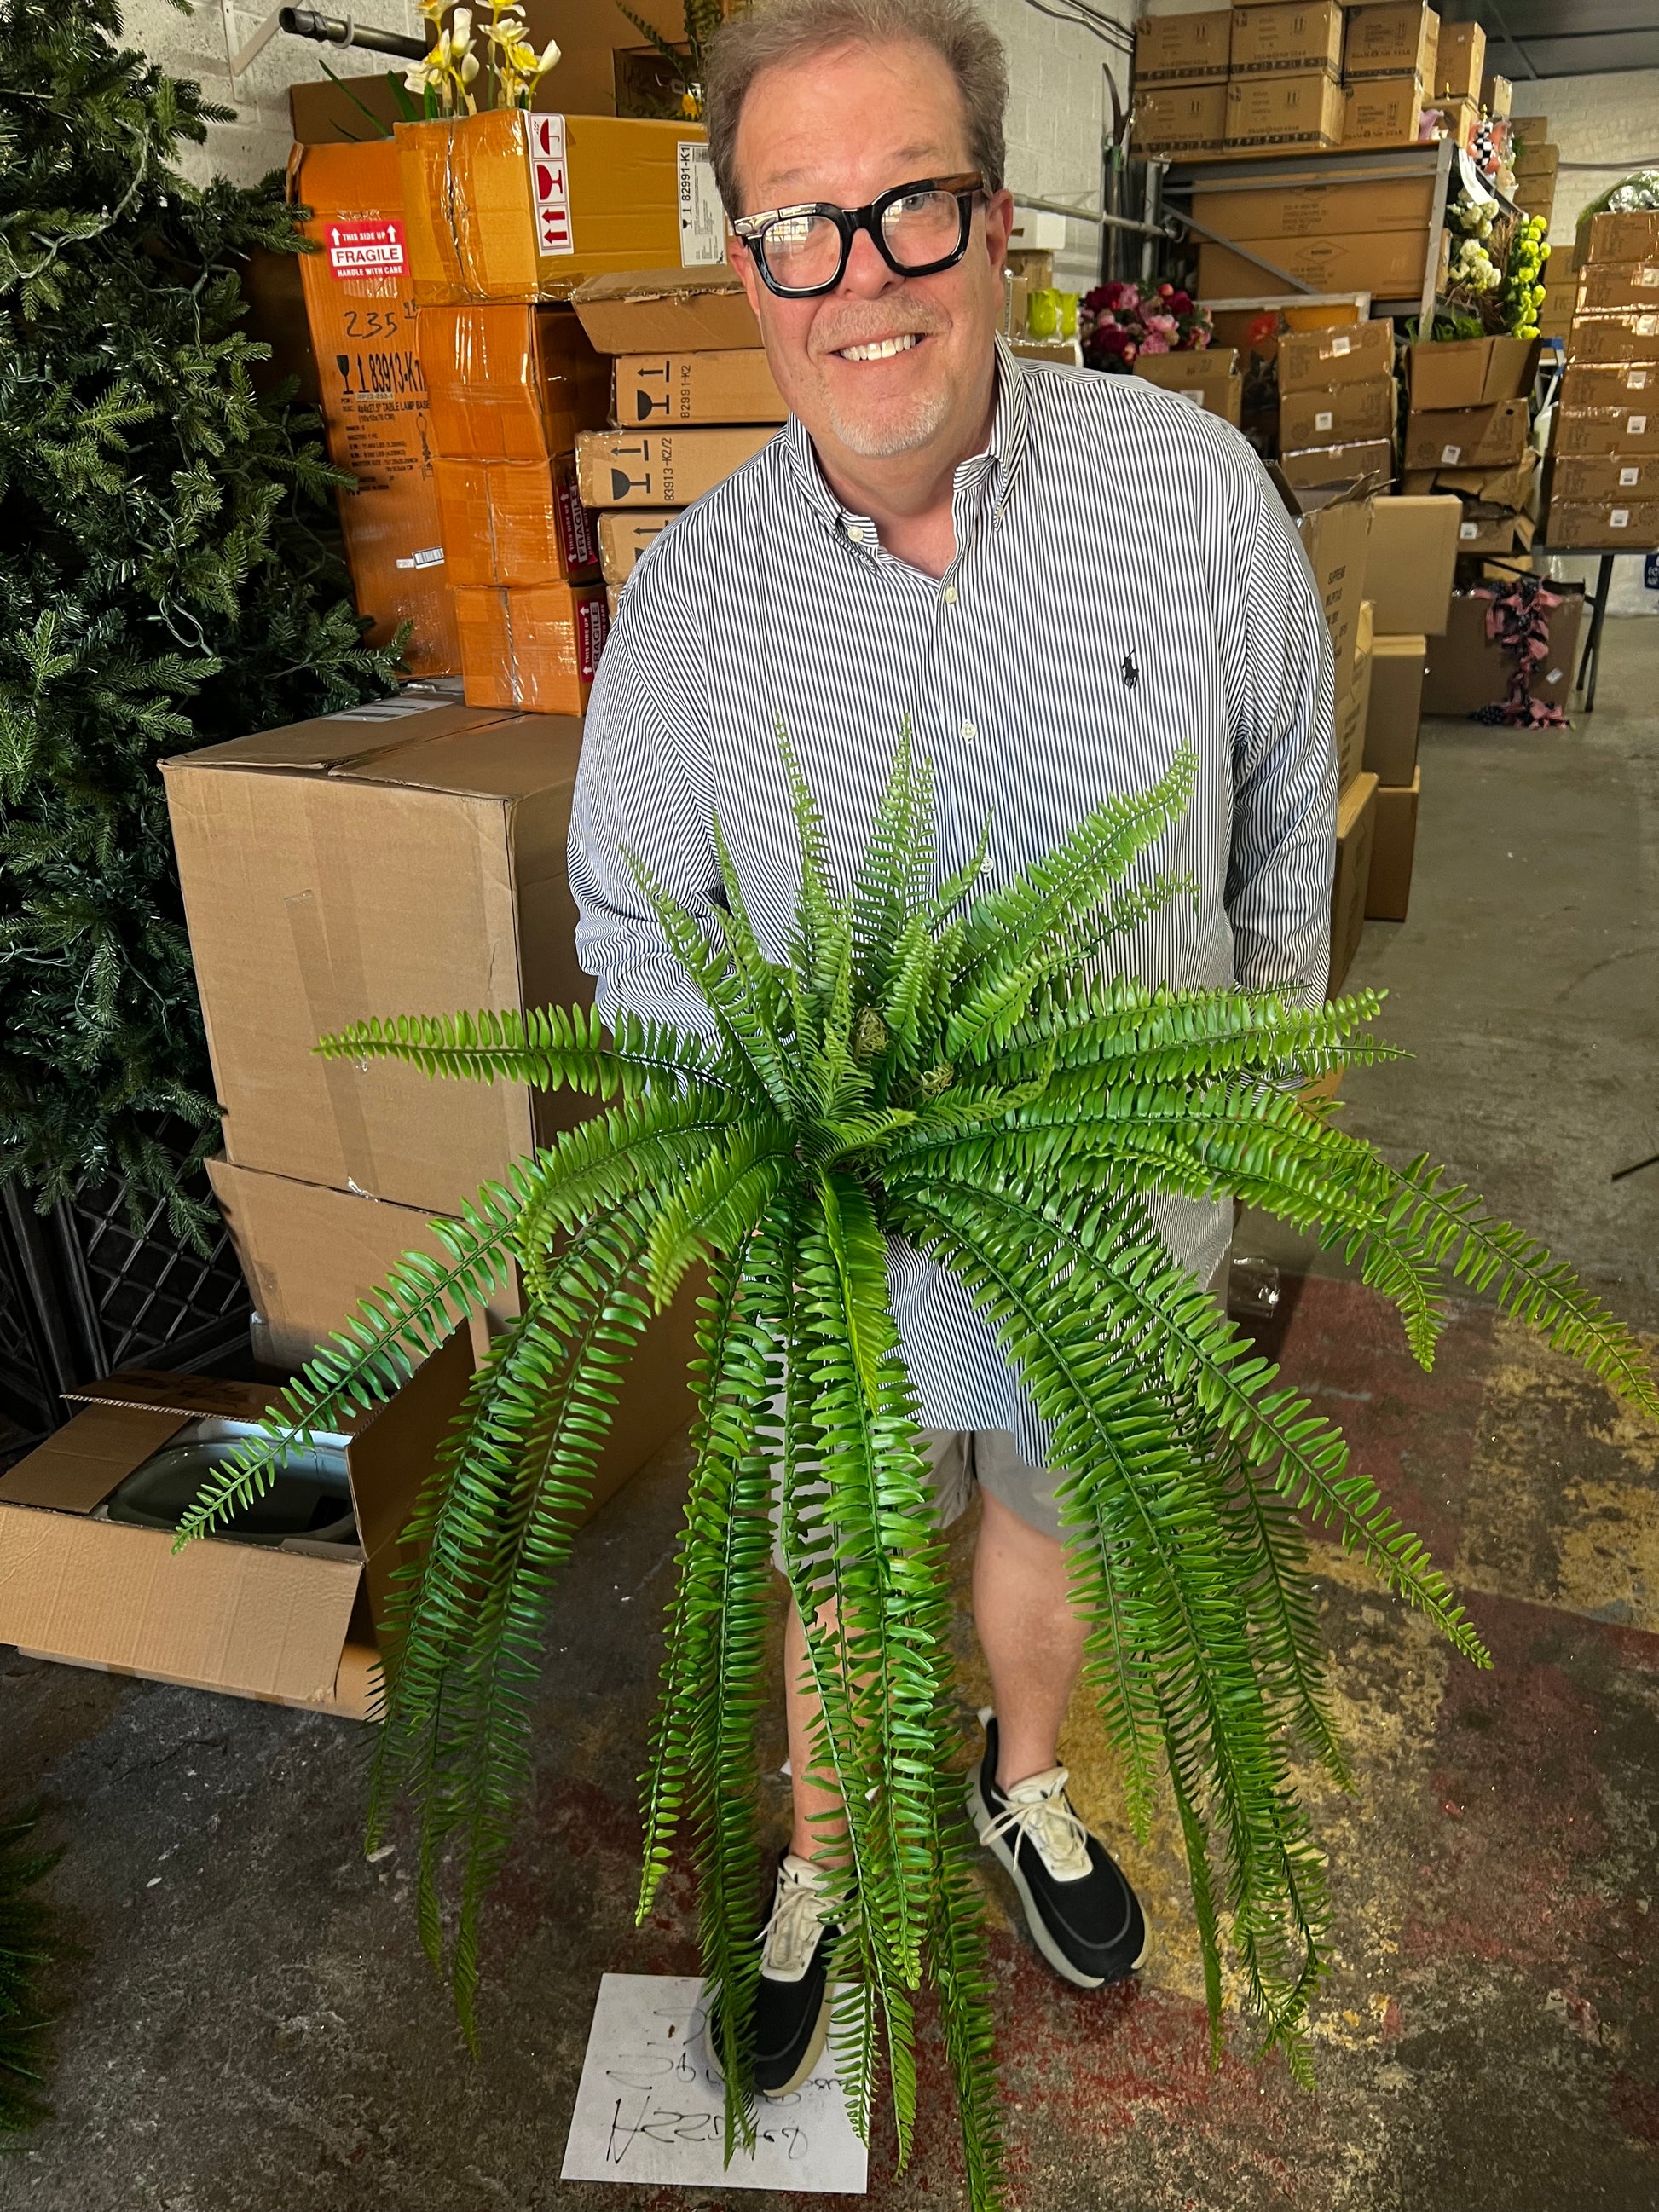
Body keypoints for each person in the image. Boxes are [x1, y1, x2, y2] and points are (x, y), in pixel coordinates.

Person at [569, 0, 1335, 2099]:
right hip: (848, 1265)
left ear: (996, 221)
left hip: (1119, 1227)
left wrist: (1237, 1081)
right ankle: (824, 1857)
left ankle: (1024, 1781)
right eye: (798, 224)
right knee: (840, 1557)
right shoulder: (688, 607)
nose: (862, 275)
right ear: (745, 265)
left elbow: (1289, 808)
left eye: (910, 202)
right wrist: (784, 1127)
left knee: (1058, 1513)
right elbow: (631, 923)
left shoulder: (1189, 496)